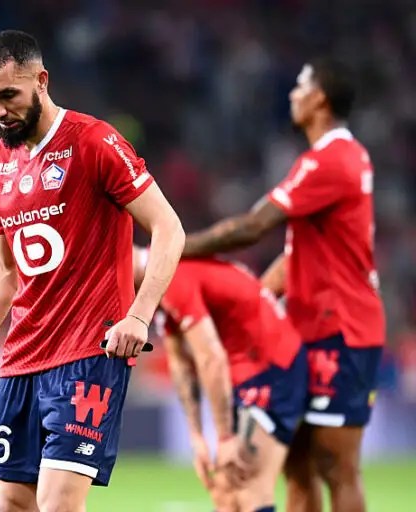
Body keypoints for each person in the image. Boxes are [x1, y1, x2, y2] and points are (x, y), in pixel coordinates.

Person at [0, 30, 185, 512]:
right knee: (11, 505)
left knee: (57, 505)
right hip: (22, 359)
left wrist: (138, 316)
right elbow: (4, 270)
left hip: (89, 352)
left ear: (42, 81)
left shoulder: (95, 142)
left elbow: (168, 228)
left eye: (8, 95)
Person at [180, 57, 385, 512]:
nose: (292, 94)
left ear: (319, 99)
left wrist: (176, 247)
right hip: (308, 328)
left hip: (343, 331)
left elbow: (253, 226)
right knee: (297, 463)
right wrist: (258, 296)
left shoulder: (333, 159)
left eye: (300, 86)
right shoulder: (333, 159)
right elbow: (301, 255)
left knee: (337, 466)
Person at [134, 247, 306, 512]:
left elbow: (211, 358)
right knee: (225, 491)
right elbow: (180, 361)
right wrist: (197, 437)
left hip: (271, 368)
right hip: (248, 371)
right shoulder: (158, 282)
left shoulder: (172, 277)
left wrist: (224, 438)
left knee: (246, 484)